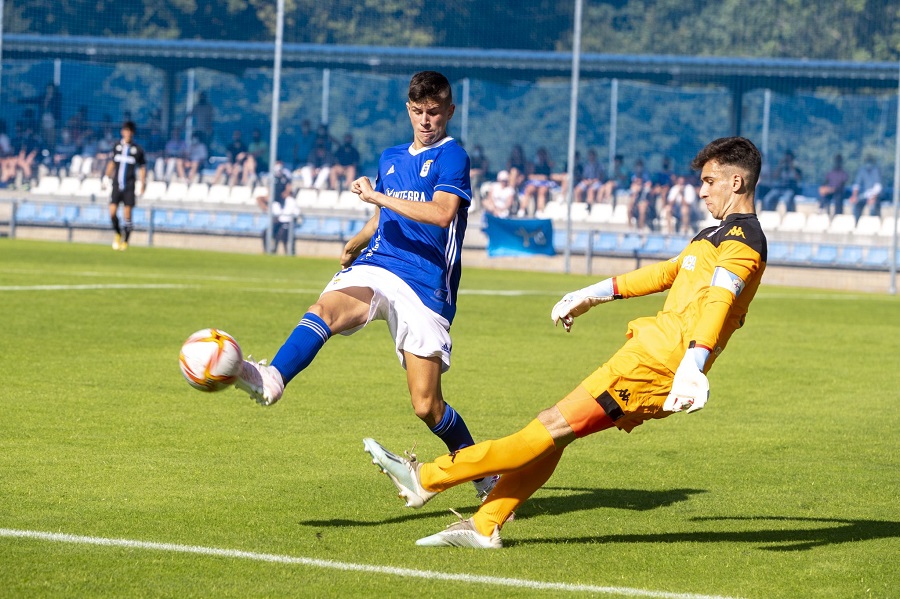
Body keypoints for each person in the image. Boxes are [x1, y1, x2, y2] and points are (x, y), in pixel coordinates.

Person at [363, 135, 767, 549]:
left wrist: (693, 364)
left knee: (547, 428)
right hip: (652, 357)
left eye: (709, 181)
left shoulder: (745, 240)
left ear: (736, 182)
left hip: (658, 365)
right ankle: (486, 523)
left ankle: (426, 478)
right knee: (556, 435)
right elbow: (667, 273)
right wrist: (589, 294)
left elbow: (720, 298)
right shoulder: (713, 234)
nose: (701, 190)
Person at [234, 70, 497, 500]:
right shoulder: (390, 156)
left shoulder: (454, 157)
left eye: (434, 112)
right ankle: (272, 377)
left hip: (426, 284)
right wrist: (356, 242)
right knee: (326, 310)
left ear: (449, 111)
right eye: (418, 112)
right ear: (408, 111)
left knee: (426, 406)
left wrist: (377, 196)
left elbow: (440, 213)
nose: (426, 120)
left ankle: (482, 473)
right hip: (379, 264)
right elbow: (385, 216)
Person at [104, 121, 147, 251]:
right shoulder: (117, 146)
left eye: (129, 131)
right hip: (116, 184)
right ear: (122, 132)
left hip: (129, 185)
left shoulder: (137, 149)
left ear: (132, 133)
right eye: (125, 130)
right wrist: (106, 177)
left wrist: (142, 183)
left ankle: (126, 240)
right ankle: (118, 233)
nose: (127, 133)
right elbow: (112, 163)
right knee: (112, 212)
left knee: (127, 214)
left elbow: (142, 167)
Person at [255, 160, 298, 254]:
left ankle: (287, 252)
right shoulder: (274, 202)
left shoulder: (290, 201)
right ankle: (267, 251)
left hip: (286, 224)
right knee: (265, 232)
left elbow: (293, 215)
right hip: (277, 222)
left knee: (282, 232)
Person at [848, 155, 883, 222]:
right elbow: (856, 185)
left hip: (875, 195)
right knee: (856, 204)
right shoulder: (862, 170)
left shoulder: (876, 170)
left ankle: (873, 223)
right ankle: (856, 222)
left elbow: (878, 187)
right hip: (865, 195)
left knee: (872, 207)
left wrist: (873, 197)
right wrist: (854, 196)